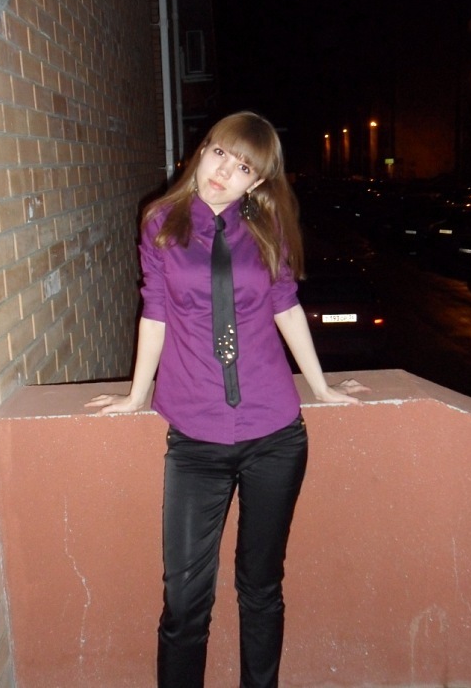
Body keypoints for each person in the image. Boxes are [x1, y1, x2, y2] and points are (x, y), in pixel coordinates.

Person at [85, 111, 367, 688]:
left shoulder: (267, 227)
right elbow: (156, 310)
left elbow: (285, 304)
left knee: (260, 587)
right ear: (202, 150)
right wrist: (137, 395)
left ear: (256, 182)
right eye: (219, 154)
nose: (223, 172)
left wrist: (320, 386)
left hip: (275, 435)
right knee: (184, 602)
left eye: (243, 168)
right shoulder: (161, 222)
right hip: (195, 439)